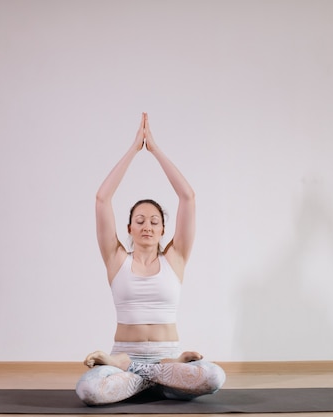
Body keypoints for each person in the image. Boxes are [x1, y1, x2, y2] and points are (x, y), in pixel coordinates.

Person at [75, 113, 226, 406]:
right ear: (128, 228)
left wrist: (154, 149)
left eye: (154, 221)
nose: (147, 226)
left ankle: (145, 377)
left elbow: (188, 198)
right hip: (125, 356)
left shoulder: (176, 258)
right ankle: (147, 377)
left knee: (214, 376)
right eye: (140, 220)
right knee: (88, 390)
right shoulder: (116, 259)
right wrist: (134, 149)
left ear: (163, 230)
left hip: (167, 360)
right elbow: (102, 199)